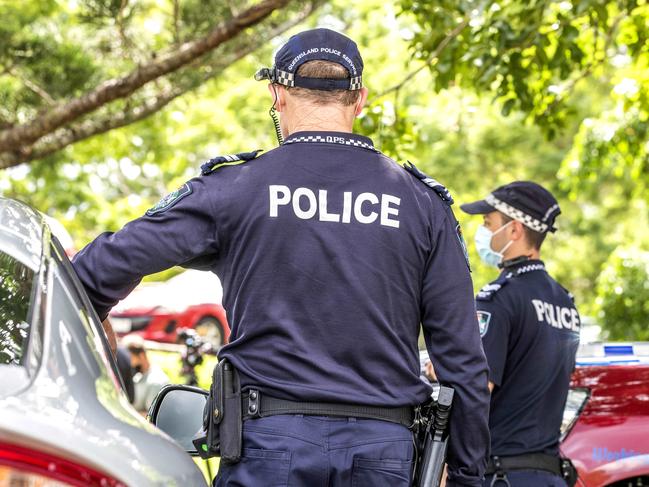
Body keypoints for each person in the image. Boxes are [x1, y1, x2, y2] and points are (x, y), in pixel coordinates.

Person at [72, 28, 490, 486]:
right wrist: (469, 476)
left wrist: (100, 382)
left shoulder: (234, 189)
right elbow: (463, 361)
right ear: (360, 99)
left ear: (277, 94)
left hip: (268, 447)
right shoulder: (420, 204)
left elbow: (95, 273)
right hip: (383, 452)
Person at [460, 182, 580, 487]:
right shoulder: (565, 302)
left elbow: (476, 390)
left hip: (504, 475)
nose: (483, 231)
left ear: (514, 230)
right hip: (551, 476)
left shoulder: (497, 299)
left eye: (488, 223)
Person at [121, 334, 170, 414]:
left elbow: (150, 416)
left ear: (141, 355)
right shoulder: (137, 375)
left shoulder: (156, 381)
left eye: (128, 357)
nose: (126, 361)